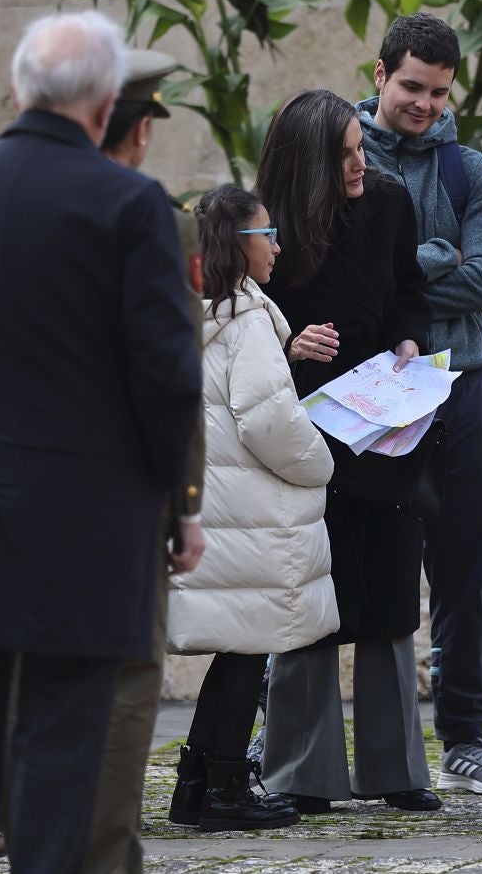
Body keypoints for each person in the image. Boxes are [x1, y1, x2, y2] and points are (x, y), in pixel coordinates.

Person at [0, 10, 202, 873]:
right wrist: (178, 504)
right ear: (103, 108)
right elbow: (167, 376)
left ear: (19, 91)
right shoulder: (131, 203)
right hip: (91, 522)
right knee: (61, 748)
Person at [254, 88, 434, 814]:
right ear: (308, 168)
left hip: (385, 418)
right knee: (310, 595)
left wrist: (410, 343)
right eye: (347, 157)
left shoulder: (389, 203)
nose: (362, 165)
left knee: (390, 590)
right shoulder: (265, 219)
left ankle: (397, 772)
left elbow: (411, 293)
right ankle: (301, 772)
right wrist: (290, 344)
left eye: (362, 150)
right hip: (305, 423)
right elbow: (237, 317)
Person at [355, 13, 482, 795]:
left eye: (439, 92)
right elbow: (327, 264)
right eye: (411, 87)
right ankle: (290, 731)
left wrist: (390, 273)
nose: (424, 104)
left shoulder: (471, 173)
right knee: (332, 565)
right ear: (380, 73)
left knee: (464, 570)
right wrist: (429, 258)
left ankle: (465, 738)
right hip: (362, 393)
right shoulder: (338, 156)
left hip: (459, 385)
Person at [166, 184, 339, 833]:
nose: (277, 245)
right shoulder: (247, 318)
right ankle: (223, 787)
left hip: (218, 507)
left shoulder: (201, 311)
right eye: (266, 234)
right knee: (246, 652)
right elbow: (270, 420)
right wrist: (323, 462)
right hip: (250, 514)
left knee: (236, 653)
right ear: (240, 246)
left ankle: (200, 782)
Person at [86, 47, 211, 874]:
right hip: (120, 487)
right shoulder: (157, 218)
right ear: (134, 129)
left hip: (2, 487)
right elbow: (173, 371)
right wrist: (186, 498)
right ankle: (101, 856)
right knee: (127, 678)